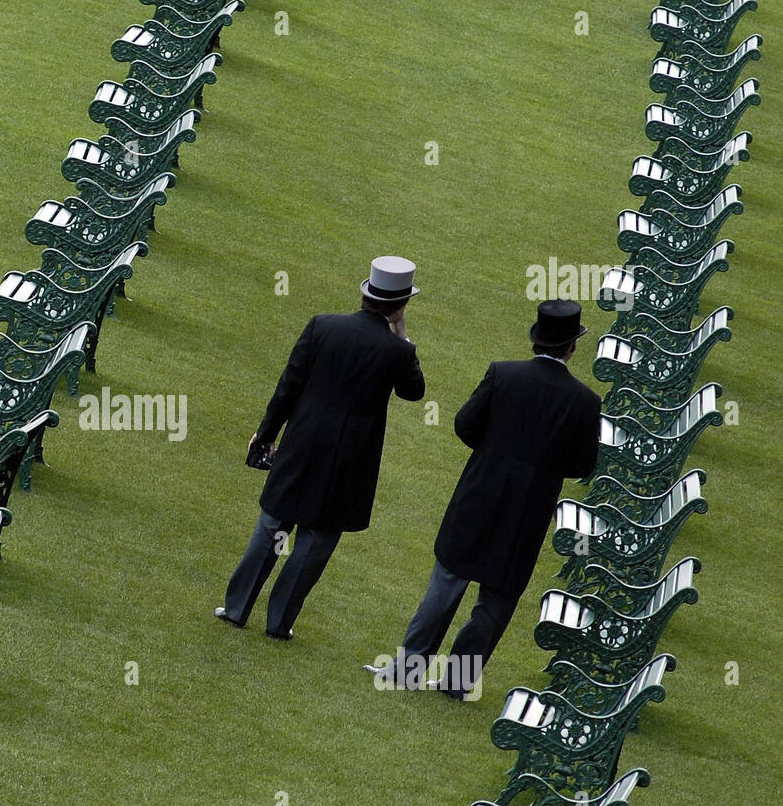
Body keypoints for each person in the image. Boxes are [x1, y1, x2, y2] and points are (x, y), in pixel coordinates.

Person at [370, 299, 602, 697]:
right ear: (572, 346)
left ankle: (407, 668)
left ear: (536, 340)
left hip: (478, 494)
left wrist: (494, 450)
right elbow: (583, 465)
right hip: (528, 511)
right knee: (496, 600)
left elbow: (464, 425)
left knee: (445, 584)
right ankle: (458, 682)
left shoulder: (503, 374)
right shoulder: (585, 402)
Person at [214, 256, 426, 641]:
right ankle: (279, 623)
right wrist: (402, 333)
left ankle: (236, 607)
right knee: (316, 542)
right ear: (399, 305)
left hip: (303, 442)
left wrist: (265, 434)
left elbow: (288, 386)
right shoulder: (398, 351)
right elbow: (414, 392)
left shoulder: (323, 326)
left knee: (273, 525)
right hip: (351, 459)